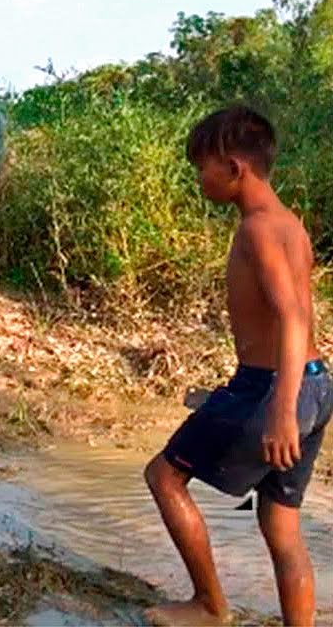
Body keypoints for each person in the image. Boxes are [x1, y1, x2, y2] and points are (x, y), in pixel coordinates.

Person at [143, 105, 331, 627]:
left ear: (232, 167)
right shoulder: (288, 223)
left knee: (164, 477)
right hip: (315, 383)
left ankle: (209, 605)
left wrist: (280, 409)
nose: (198, 178)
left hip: (274, 388)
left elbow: (293, 318)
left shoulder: (257, 231)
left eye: (200, 167)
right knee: (281, 522)